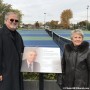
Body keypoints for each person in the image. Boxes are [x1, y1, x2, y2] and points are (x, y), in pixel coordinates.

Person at [0, 12, 24, 90]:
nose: (14, 22)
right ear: (5, 21)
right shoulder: (1, 33)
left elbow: (22, 52)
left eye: (16, 20)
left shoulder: (18, 36)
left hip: (17, 74)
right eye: (11, 20)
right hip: (4, 75)